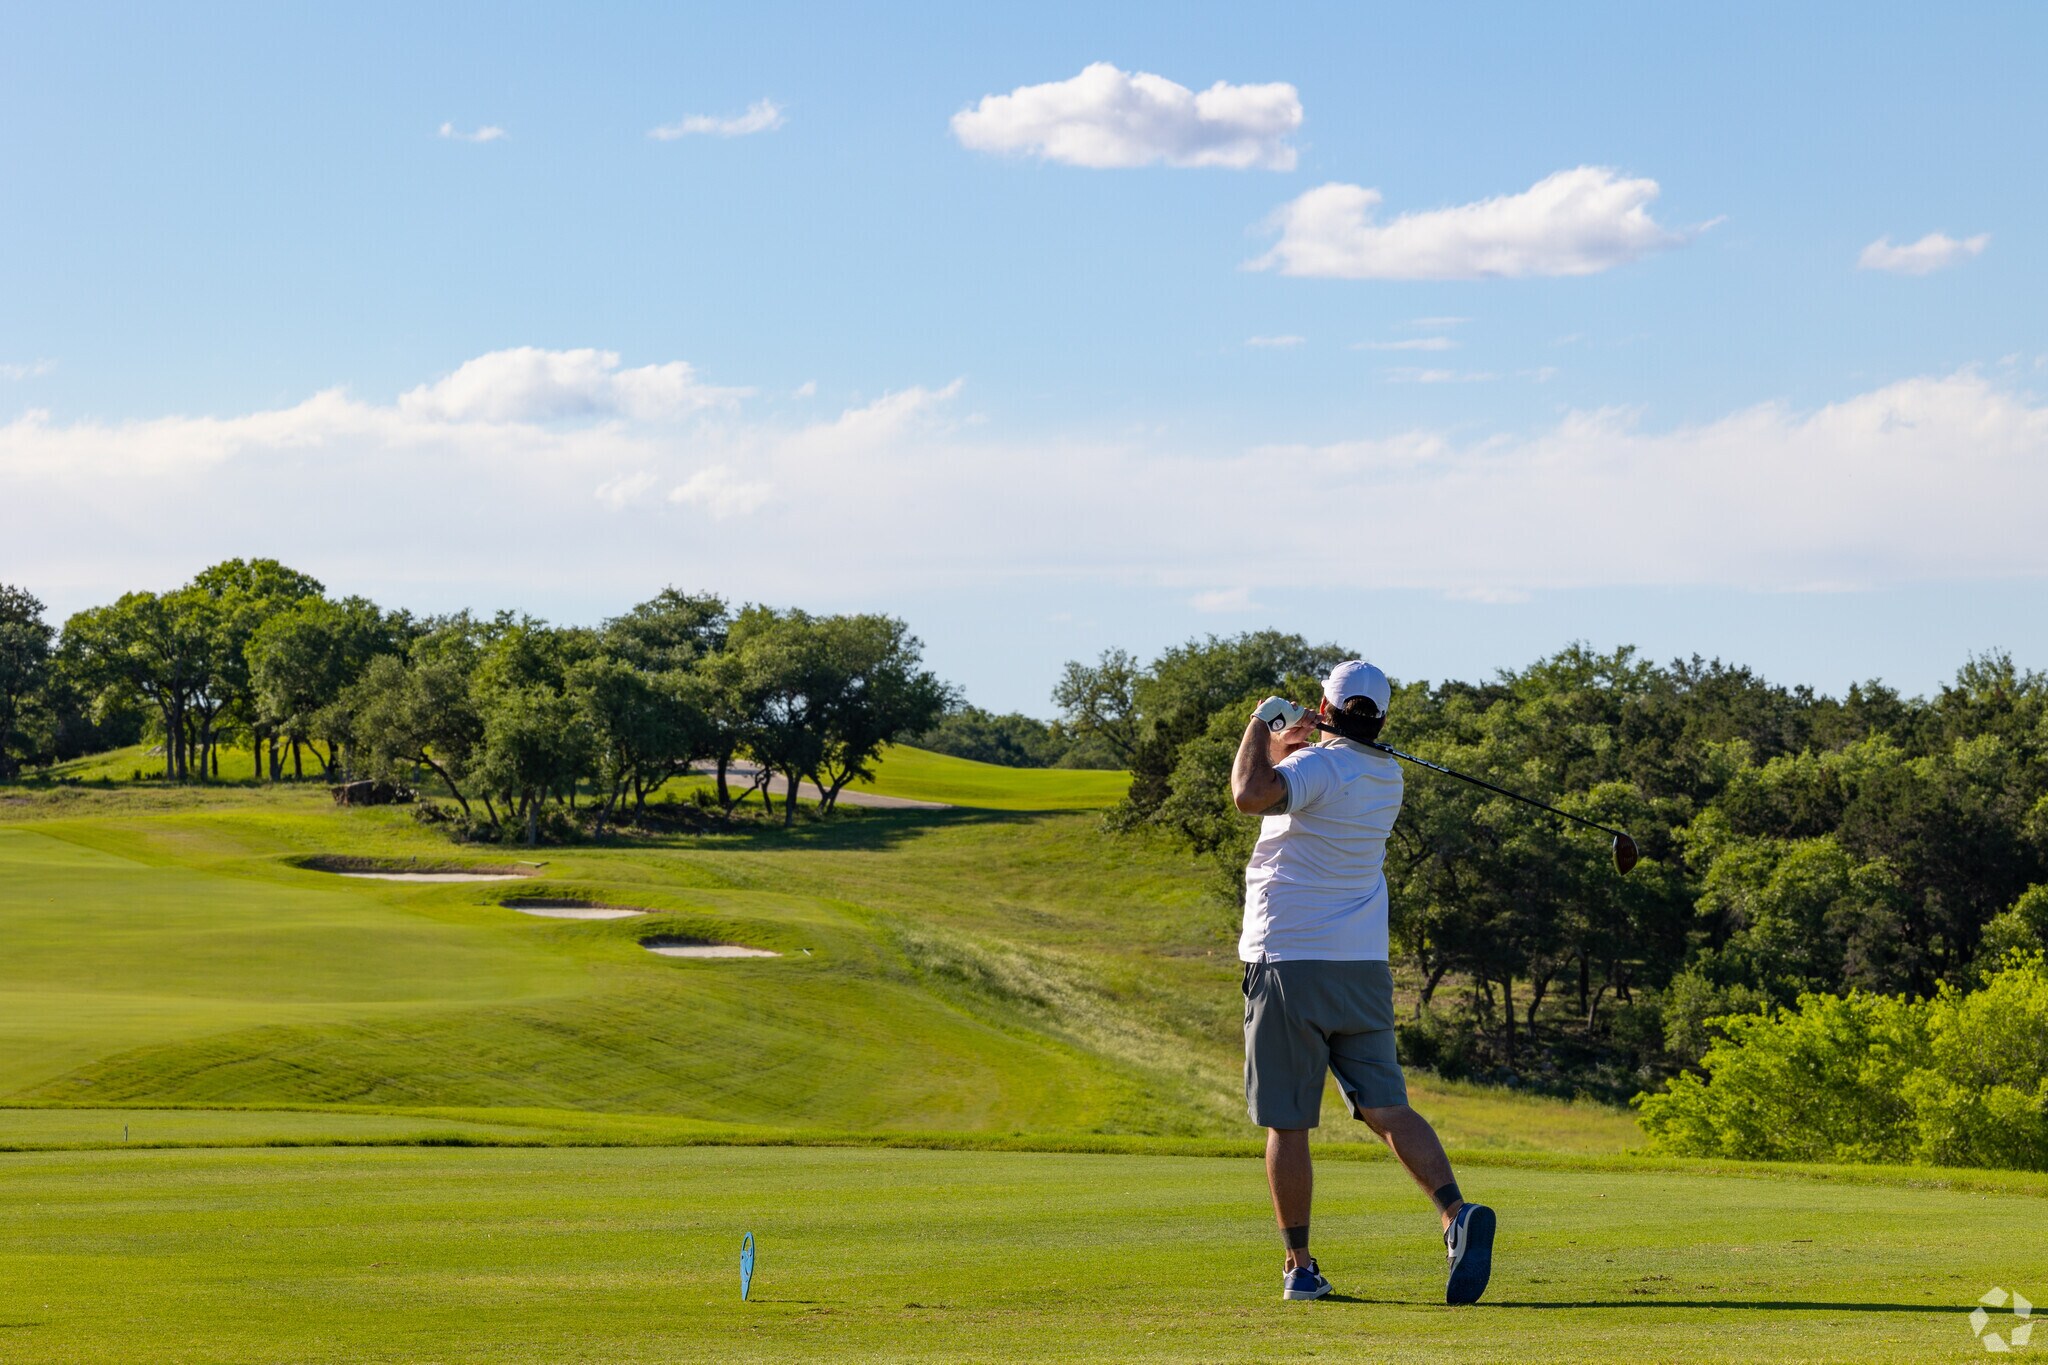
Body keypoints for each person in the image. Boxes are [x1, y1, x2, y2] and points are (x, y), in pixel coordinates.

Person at [1230, 659, 1495, 1305]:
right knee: (1387, 1107)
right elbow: (1300, 779)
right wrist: (1298, 741)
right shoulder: (1386, 775)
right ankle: (1454, 1212)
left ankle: (1300, 1266)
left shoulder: (1318, 767)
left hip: (1289, 961)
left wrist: (1261, 721)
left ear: (1326, 705)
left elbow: (1248, 792)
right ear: (1381, 717)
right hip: (1362, 968)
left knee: (1288, 1123)